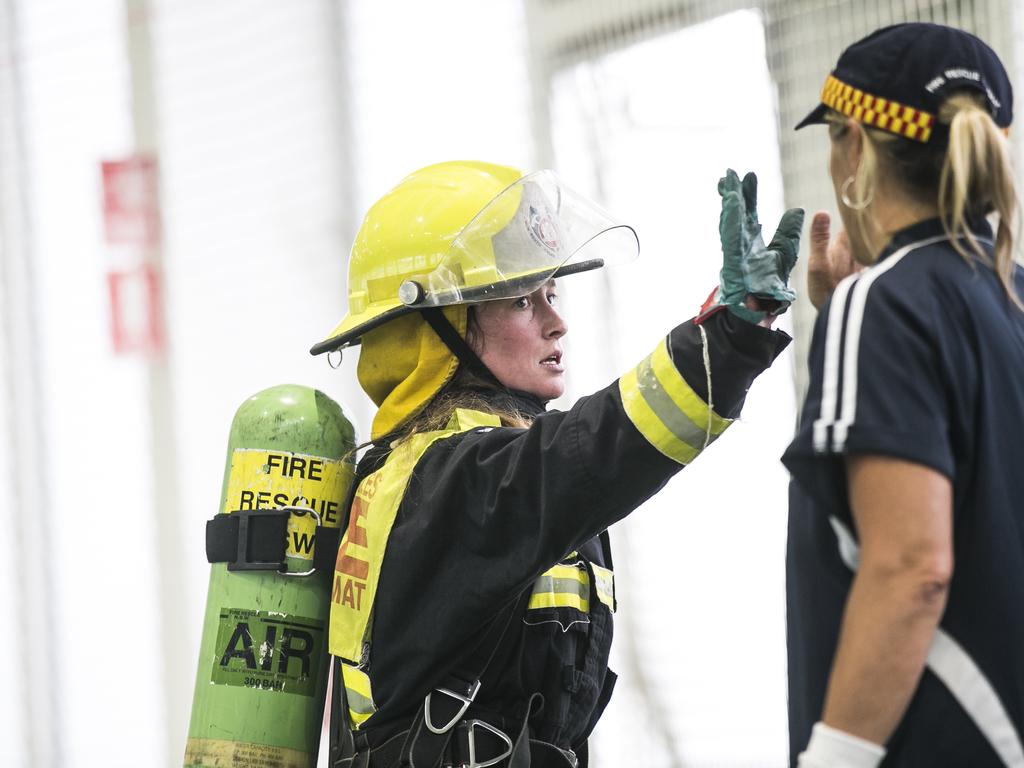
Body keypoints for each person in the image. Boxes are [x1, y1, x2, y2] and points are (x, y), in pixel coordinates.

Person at [312, 160, 801, 768]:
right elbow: (601, 447)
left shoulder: (471, 466)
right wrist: (730, 336)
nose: (556, 321)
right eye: (521, 300)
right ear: (438, 327)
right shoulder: (453, 483)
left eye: (551, 293)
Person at [784, 22, 1024, 768]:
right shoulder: (1011, 294)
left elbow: (913, 569)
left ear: (853, 144)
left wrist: (834, 759)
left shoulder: (882, 307)